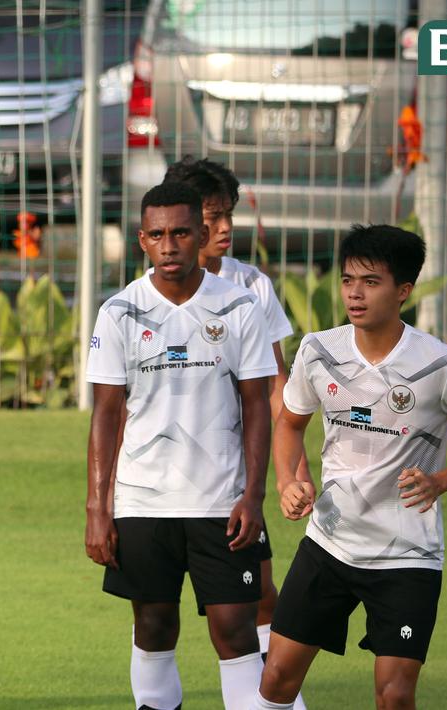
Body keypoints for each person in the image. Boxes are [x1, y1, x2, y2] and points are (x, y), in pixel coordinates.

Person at [254, 225, 447, 709]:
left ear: (403, 290)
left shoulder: (441, 366)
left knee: (394, 696)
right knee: (276, 679)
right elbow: (289, 424)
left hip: (407, 556)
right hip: (329, 544)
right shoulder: (319, 351)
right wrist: (289, 481)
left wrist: (441, 480)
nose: (354, 294)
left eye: (370, 281)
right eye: (347, 281)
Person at [85, 181, 277, 710]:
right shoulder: (119, 312)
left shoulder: (239, 306)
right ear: (141, 240)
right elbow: (105, 414)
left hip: (221, 500)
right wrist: (98, 508)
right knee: (153, 622)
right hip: (144, 500)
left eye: (181, 233)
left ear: (201, 235)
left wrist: (254, 494)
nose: (169, 245)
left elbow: (258, 404)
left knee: (236, 630)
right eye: (157, 234)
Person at [163, 157, 305, 687]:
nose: (224, 228)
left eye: (229, 216)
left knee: (258, 596)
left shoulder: (253, 287)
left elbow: (275, 388)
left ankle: (273, 697)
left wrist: (291, 473)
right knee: (160, 616)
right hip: (165, 482)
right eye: (213, 216)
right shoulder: (151, 293)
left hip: (232, 474)